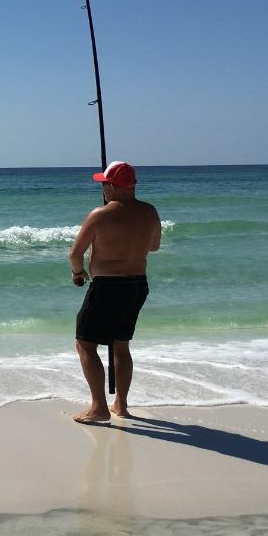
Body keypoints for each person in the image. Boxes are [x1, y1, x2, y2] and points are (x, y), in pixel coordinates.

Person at [67, 161, 161, 424]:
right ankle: (121, 404)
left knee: (85, 344)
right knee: (121, 345)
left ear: (113, 186)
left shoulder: (100, 214)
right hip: (137, 286)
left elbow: (75, 254)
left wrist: (78, 273)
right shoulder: (150, 212)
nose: (103, 188)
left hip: (107, 287)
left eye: (104, 184)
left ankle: (99, 408)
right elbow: (153, 247)